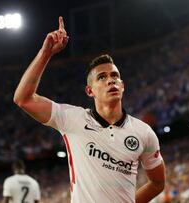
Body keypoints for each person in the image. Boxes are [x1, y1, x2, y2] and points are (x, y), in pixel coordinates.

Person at [14, 16, 166, 203]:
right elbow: (23, 99)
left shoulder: (144, 132)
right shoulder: (72, 119)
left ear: (122, 85)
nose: (110, 80)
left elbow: (158, 183)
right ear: (89, 90)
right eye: (102, 77)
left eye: (115, 76)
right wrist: (46, 53)